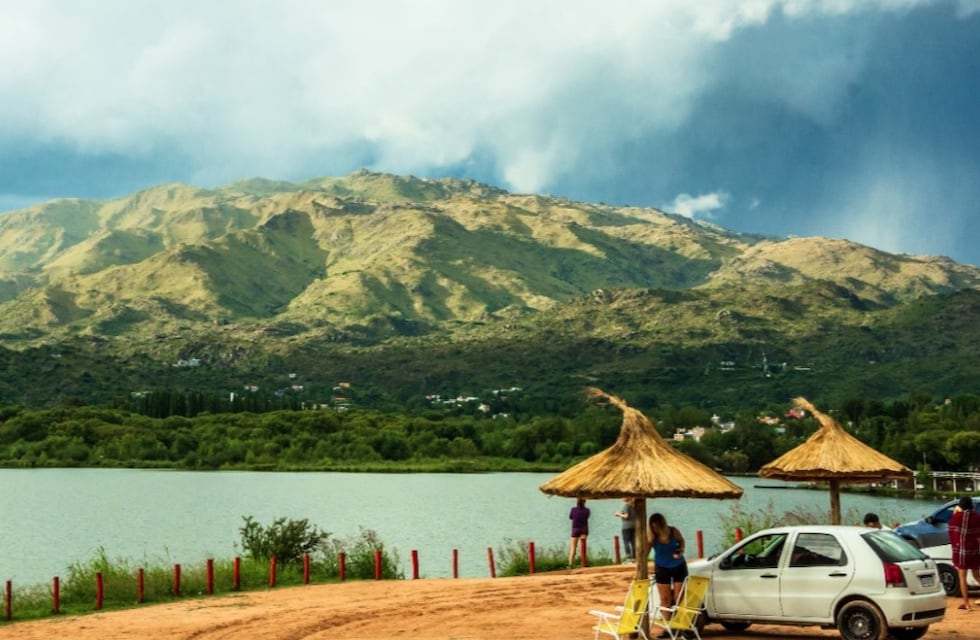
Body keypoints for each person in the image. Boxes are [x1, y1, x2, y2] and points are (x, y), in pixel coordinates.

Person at [649, 512, 688, 628]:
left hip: (678, 566)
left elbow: (681, 541)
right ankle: (668, 627)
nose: (656, 529)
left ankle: (681, 624)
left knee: (679, 597)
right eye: (653, 527)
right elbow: (644, 552)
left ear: (663, 524)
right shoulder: (652, 537)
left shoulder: (673, 531)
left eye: (657, 527)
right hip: (662, 568)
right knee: (665, 599)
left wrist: (680, 551)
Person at [949, 496, 980, 610]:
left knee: (962, 576)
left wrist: (955, 513)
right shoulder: (977, 517)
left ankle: (966, 603)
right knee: (977, 575)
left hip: (961, 552)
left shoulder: (957, 517)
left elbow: (952, 530)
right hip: (973, 551)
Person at [568, 497, 590, 568]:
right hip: (584, 529)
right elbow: (587, 517)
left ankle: (570, 564)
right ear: (584, 502)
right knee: (583, 547)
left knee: (573, 547)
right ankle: (583, 563)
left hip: (575, 529)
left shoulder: (573, 509)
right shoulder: (587, 510)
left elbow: (570, 517)